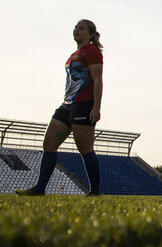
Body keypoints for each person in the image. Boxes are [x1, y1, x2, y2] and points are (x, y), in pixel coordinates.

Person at [16, 19, 104, 196]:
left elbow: (98, 81)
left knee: (85, 148)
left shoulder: (92, 51)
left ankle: (95, 192)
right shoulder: (75, 53)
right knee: (49, 144)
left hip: (83, 105)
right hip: (67, 105)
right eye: (75, 28)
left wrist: (96, 107)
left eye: (81, 28)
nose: (76, 30)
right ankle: (40, 189)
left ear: (90, 34)